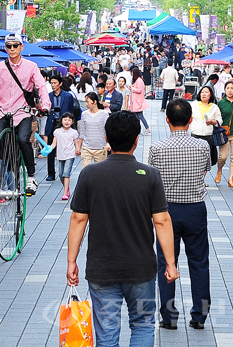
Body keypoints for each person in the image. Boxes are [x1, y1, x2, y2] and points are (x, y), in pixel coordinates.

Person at [66, 111, 179, 346]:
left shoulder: (90, 174)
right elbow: (162, 221)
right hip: (141, 269)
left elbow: (78, 219)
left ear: (107, 137)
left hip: (102, 268)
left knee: (106, 333)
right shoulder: (150, 175)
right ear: (137, 140)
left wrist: (71, 261)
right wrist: (170, 263)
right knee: (143, 325)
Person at [149, 98, 212, 330]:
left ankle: (168, 316)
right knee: (199, 263)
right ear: (191, 120)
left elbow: (153, 180)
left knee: (166, 261)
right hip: (196, 209)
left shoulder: (157, 148)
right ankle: (199, 316)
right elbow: (206, 170)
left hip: (166, 212)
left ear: (167, 120)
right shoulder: (202, 146)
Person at [0, 33, 51, 195]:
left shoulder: (31, 67)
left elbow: (42, 87)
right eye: (9, 46)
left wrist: (45, 106)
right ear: (5, 48)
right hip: (3, 112)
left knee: (23, 139)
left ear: (22, 47)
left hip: (23, 112)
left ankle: (31, 177)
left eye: (16, 45)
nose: (12, 49)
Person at [44, 75, 76, 181]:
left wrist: (71, 125)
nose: (53, 85)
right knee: (50, 148)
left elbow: (71, 111)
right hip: (52, 123)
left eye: (55, 83)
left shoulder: (68, 96)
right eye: (51, 83)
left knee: (64, 146)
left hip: (64, 123)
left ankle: (64, 171)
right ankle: (51, 173)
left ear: (60, 83)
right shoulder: (48, 96)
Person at [189, 86, 223, 174]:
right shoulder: (194, 105)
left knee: (206, 159)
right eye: (202, 92)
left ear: (210, 94)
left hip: (208, 136)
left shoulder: (214, 107)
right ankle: (196, 177)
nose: (204, 94)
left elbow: (220, 120)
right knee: (195, 158)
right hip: (195, 134)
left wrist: (213, 121)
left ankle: (202, 179)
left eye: (206, 92)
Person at [50, 112, 81, 200]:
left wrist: (78, 149)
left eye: (69, 120)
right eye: (65, 120)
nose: (67, 122)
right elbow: (54, 144)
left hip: (70, 155)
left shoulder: (74, 132)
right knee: (61, 175)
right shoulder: (57, 131)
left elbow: (76, 143)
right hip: (60, 155)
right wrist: (48, 149)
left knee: (66, 174)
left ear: (72, 122)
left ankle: (65, 193)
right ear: (61, 121)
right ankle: (67, 188)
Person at [78, 92, 109, 168]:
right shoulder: (84, 114)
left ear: (94, 102)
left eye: (87, 101)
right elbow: (82, 131)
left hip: (100, 147)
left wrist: (108, 143)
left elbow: (107, 130)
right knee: (85, 170)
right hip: (87, 147)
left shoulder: (104, 114)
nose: (86, 104)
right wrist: (78, 146)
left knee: (100, 171)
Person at [128, 69, 150, 135]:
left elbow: (139, 90)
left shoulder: (139, 80)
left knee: (140, 116)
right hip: (136, 101)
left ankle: (147, 129)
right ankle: (139, 129)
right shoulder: (138, 80)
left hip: (138, 101)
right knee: (137, 116)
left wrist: (132, 88)